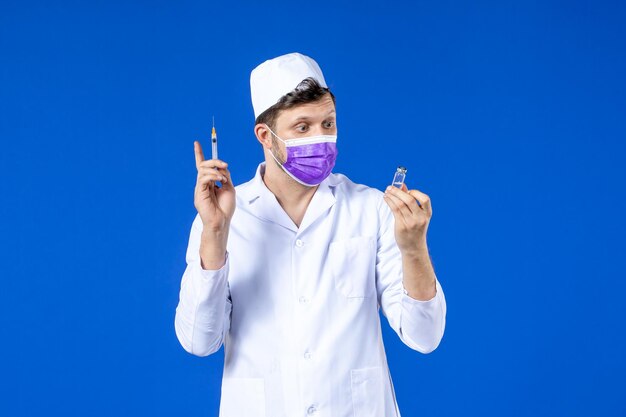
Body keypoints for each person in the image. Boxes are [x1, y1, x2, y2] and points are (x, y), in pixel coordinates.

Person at [174, 52, 447, 417]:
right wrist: (215, 233)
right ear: (265, 137)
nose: (320, 138)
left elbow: (424, 336)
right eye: (302, 127)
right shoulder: (223, 219)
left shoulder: (370, 209)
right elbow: (198, 341)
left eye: (328, 124)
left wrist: (414, 249)